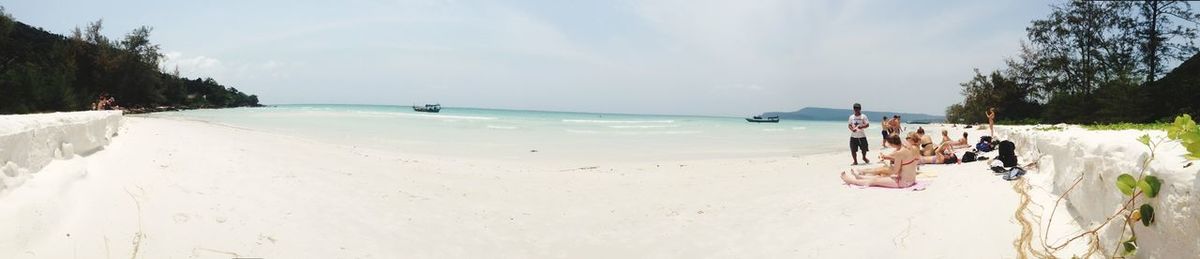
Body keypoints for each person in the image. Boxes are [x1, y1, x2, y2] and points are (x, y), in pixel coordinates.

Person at [841, 134, 919, 188]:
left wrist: (888, 166)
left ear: (892, 144)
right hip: (912, 179)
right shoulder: (907, 146)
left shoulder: (899, 153)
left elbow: (895, 171)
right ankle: (860, 177)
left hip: (904, 183)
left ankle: (850, 180)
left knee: (875, 180)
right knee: (879, 177)